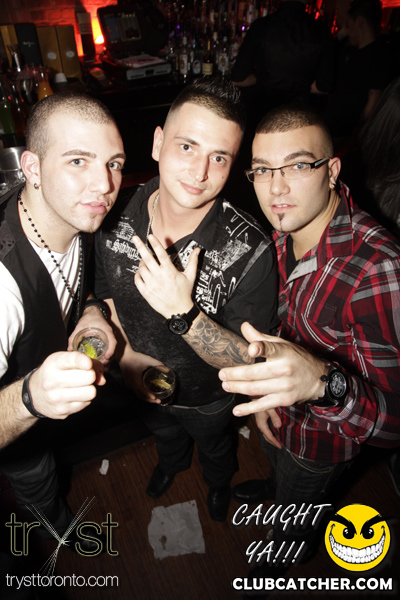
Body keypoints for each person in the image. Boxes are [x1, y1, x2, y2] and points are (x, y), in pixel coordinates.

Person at [217, 104, 400, 594]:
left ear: (332, 170)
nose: (276, 189)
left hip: (321, 442)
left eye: (298, 166)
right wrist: (268, 394)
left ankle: (283, 555)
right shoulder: (283, 233)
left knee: (299, 504)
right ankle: (277, 490)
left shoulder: (378, 270)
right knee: (279, 475)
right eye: (263, 170)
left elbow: (394, 422)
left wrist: (323, 383)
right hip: (280, 416)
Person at [93, 77, 279, 522]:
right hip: (139, 383)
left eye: (219, 157)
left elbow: (253, 360)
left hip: (208, 397)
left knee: (216, 446)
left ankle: (218, 483)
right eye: (187, 147)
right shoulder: (111, 212)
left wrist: (184, 312)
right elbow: (102, 290)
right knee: (165, 436)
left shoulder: (250, 249)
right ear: (158, 143)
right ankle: (172, 464)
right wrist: (128, 358)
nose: (200, 173)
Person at [0, 92, 125, 545]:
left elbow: (69, 279)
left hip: (55, 405)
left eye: (113, 164)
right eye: (78, 161)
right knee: (39, 484)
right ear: (31, 168)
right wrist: (31, 398)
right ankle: (58, 532)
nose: (104, 185)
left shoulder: (72, 212)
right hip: (20, 434)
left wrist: (91, 310)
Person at [231, 0, 335, 120]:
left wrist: (261, 78)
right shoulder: (321, 30)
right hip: (301, 117)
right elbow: (324, 86)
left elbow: (238, 79)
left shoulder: (261, 26)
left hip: (263, 115)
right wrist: (299, 84)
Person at [324, 0, 397, 141]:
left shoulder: (380, 56)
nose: (347, 30)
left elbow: (373, 99)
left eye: (348, 24)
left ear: (359, 21)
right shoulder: (347, 49)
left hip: (347, 136)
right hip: (330, 129)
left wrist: (358, 135)